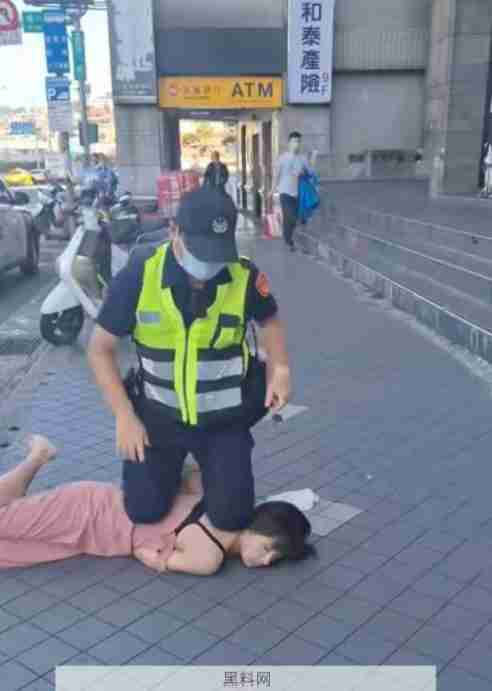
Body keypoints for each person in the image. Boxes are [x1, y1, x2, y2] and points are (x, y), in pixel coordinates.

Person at [88, 186, 291, 535]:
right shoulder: (140, 275)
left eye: (217, 254)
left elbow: (269, 320)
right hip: (158, 415)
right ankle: (178, 469)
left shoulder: (243, 275)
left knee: (231, 518)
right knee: (144, 511)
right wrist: (124, 416)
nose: (207, 266)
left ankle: (210, 466)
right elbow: (99, 349)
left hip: (223, 419)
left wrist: (281, 368)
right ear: (174, 232)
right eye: (200, 253)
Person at [0, 436, 314, 574]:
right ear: (261, 526)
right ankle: (39, 455)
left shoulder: (217, 506)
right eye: (270, 548)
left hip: (94, 533)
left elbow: (188, 474)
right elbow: (148, 557)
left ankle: (39, 455)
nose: (267, 560)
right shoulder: (207, 557)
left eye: (275, 559)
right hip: (89, 511)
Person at [273, 132, 312, 251]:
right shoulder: (282, 158)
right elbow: (276, 175)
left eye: (298, 141)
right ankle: (289, 240)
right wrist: (272, 189)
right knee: (291, 216)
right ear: (289, 143)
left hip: (298, 193)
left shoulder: (302, 158)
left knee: (289, 218)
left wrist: (303, 173)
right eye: (294, 141)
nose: (297, 144)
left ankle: (288, 239)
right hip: (285, 192)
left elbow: (309, 173)